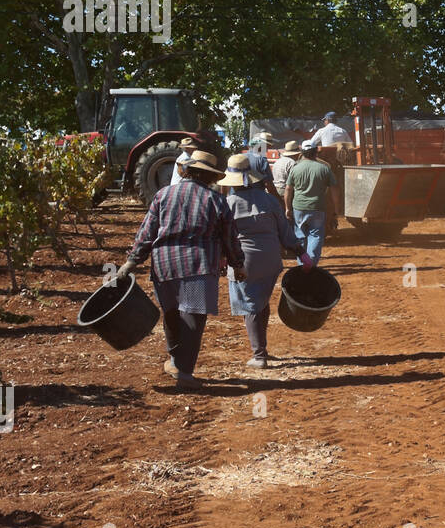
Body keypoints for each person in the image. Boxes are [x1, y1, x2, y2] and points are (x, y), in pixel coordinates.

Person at [115, 150, 245, 392]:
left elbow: (147, 232)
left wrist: (131, 261)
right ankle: (185, 373)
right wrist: (238, 265)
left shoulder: (163, 195)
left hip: (165, 265)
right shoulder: (215, 200)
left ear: (187, 171)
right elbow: (229, 238)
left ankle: (175, 362)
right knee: (193, 318)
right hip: (199, 266)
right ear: (209, 176)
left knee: (172, 314)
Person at [218, 154, 313, 368]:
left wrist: (222, 261)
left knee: (250, 306)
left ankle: (259, 355)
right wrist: (301, 253)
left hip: (243, 263)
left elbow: (222, 238)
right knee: (261, 302)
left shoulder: (228, 204)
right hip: (271, 261)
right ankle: (263, 348)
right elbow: (285, 232)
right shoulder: (269, 200)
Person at [284, 140, 336, 264]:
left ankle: (302, 263)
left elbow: (288, 189)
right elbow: (335, 189)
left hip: (299, 208)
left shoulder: (295, 168)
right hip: (318, 207)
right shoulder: (324, 168)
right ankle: (311, 263)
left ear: (302, 152)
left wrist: (287, 208)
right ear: (315, 152)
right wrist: (335, 210)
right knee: (316, 235)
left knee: (300, 236)